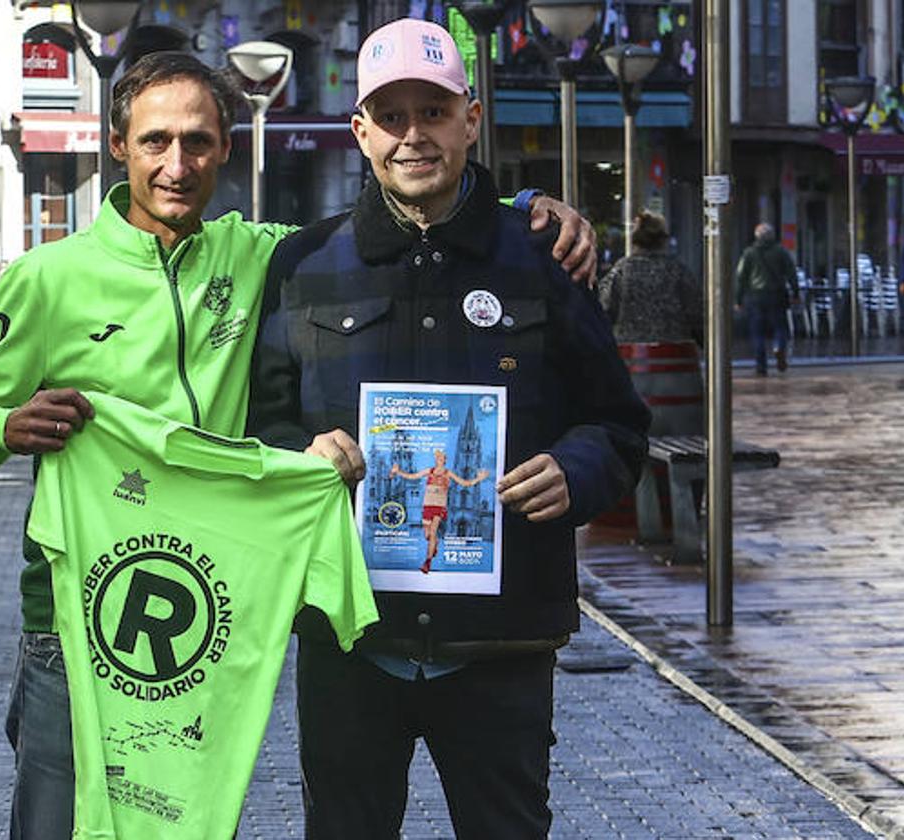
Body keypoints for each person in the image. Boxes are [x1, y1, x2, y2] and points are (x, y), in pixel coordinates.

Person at [0, 48, 600, 839]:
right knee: (63, 823)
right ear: (118, 146)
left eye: (199, 142)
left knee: (190, 820)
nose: (179, 164)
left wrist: (524, 205)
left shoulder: (266, 257)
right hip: (75, 614)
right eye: (156, 141)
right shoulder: (46, 278)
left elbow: (406, 204)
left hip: (216, 610)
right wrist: (0, 426)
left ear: (226, 148)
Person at [248, 18, 650, 839]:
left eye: (432, 112)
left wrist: (574, 471)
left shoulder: (542, 259)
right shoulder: (302, 266)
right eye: (391, 117)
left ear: (470, 119)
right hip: (352, 642)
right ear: (360, 132)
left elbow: (617, 422)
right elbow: (260, 426)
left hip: (502, 645)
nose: (413, 136)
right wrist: (300, 455)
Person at [597, 210, 702, 345]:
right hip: (675, 356)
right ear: (663, 239)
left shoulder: (622, 270)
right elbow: (696, 314)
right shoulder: (677, 270)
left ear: (634, 239)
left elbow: (603, 310)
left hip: (631, 357)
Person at [390, 450, 490, 572]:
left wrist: (479, 478)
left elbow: (465, 483)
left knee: (433, 533)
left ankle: (427, 562)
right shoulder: (429, 471)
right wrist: (398, 471)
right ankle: (434, 544)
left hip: (439, 507)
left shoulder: (448, 473)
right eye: (438, 458)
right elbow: (413, 476)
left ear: (444, 460)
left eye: (442, 458)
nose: (439, 460)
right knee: (427, 535)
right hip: (427, 506)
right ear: (435, 460)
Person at [736, 221, 800, 374]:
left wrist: (738, 299)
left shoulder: (749, 253)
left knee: (757, 332)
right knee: (780, 327)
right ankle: (779, 346)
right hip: (777, 294)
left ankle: (761, 366)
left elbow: (741, 277)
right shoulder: (781, 252)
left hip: (755, 296)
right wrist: (796, 293)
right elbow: (791, 273)